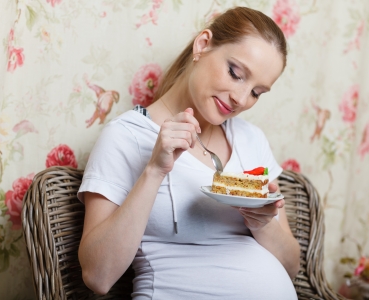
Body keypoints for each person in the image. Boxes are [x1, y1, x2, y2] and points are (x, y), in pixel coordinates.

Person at [78, 6, 301, 300]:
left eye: (257, 92)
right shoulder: (128, 136)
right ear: (203, 45)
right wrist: (154, 171)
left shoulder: (251, 140)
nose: (241, 98)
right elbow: (98, 277)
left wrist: (262, 225)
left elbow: (291, 267)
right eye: (235, 73)